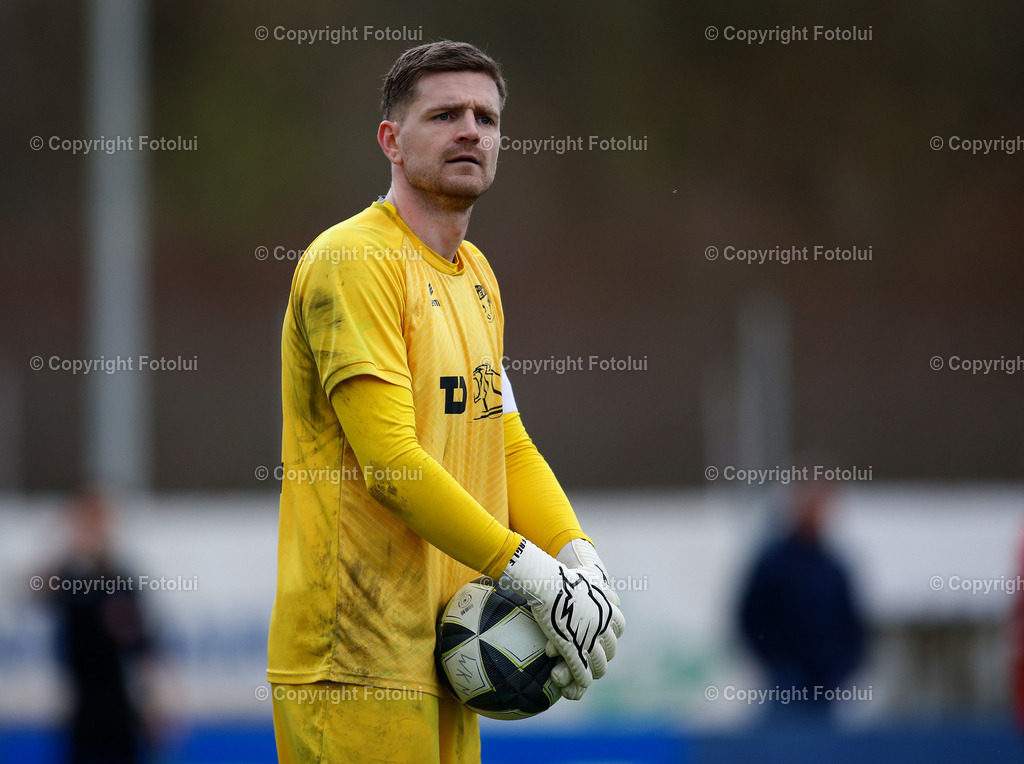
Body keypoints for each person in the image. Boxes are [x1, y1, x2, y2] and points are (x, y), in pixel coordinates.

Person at [267, 40, 625, 764]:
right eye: (445, 114)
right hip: (355, 663)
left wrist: (577, 559)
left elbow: (509, 442)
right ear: (391, 142)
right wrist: (529, 571)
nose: (471, 130)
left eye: (485, 118)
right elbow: (392, 463)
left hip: (441, 660)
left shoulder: (478, 276)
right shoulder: (355, 260)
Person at [41, 489, 154, 764]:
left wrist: (154, 703)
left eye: (97, 521)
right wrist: (62, 545)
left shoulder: (121, 580)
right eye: (84, 521)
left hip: (119, 703)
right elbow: (38, 588)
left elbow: (142, 646)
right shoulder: (68, 577)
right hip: (79, 703)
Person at [738, 481, 865, 721]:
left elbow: (850, 620)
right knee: (783, 747)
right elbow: (750, 617)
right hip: (786, 679)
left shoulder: (833, 566)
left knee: (822, 751)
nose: (815, 514)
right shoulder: (773, 563)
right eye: (809, 506)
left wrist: (843, 665)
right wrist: (775, 661)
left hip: (826, 680)